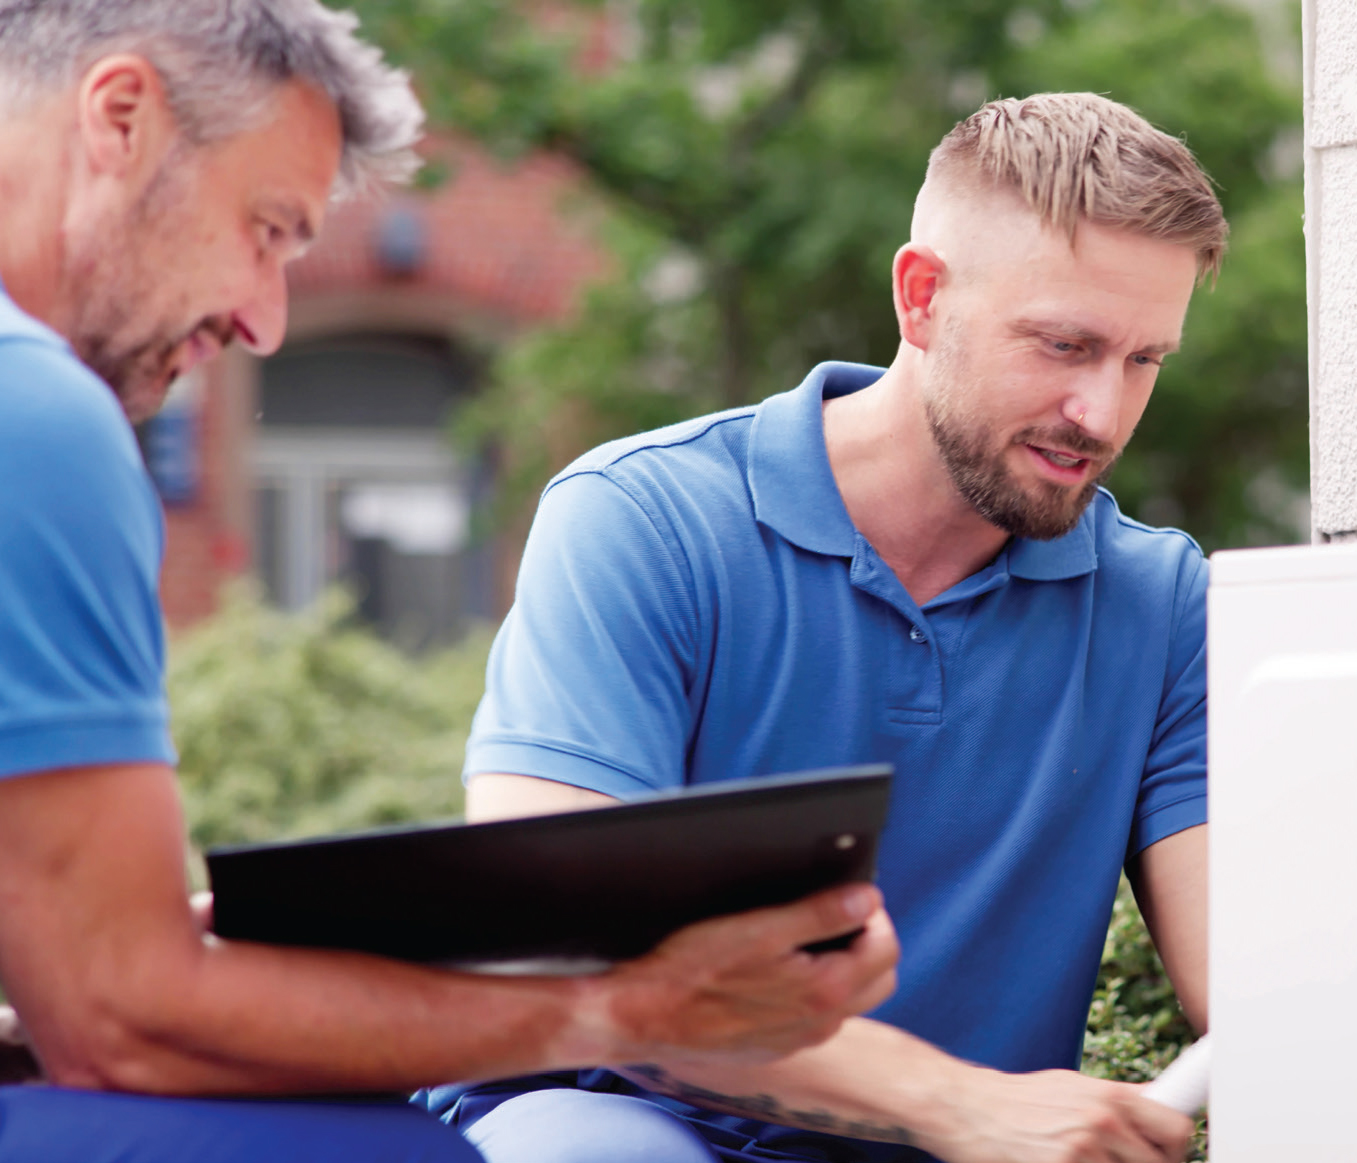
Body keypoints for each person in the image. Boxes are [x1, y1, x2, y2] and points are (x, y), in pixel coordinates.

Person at [0, 3, 899, 1163]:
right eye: (266, 230)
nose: (265, 316)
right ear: (119, 116)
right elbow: (118, 1020)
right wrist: (632, 1008)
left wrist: (243, 973)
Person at [431, 93, 1222, 1163]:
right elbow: (558, 947)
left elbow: (1247, 976)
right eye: (1063, 343)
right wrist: (949, 1101)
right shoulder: (643, 520)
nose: (1100, 410)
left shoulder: (1160, 601)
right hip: (614, 1119)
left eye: (1142, 361)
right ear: (921, 297)